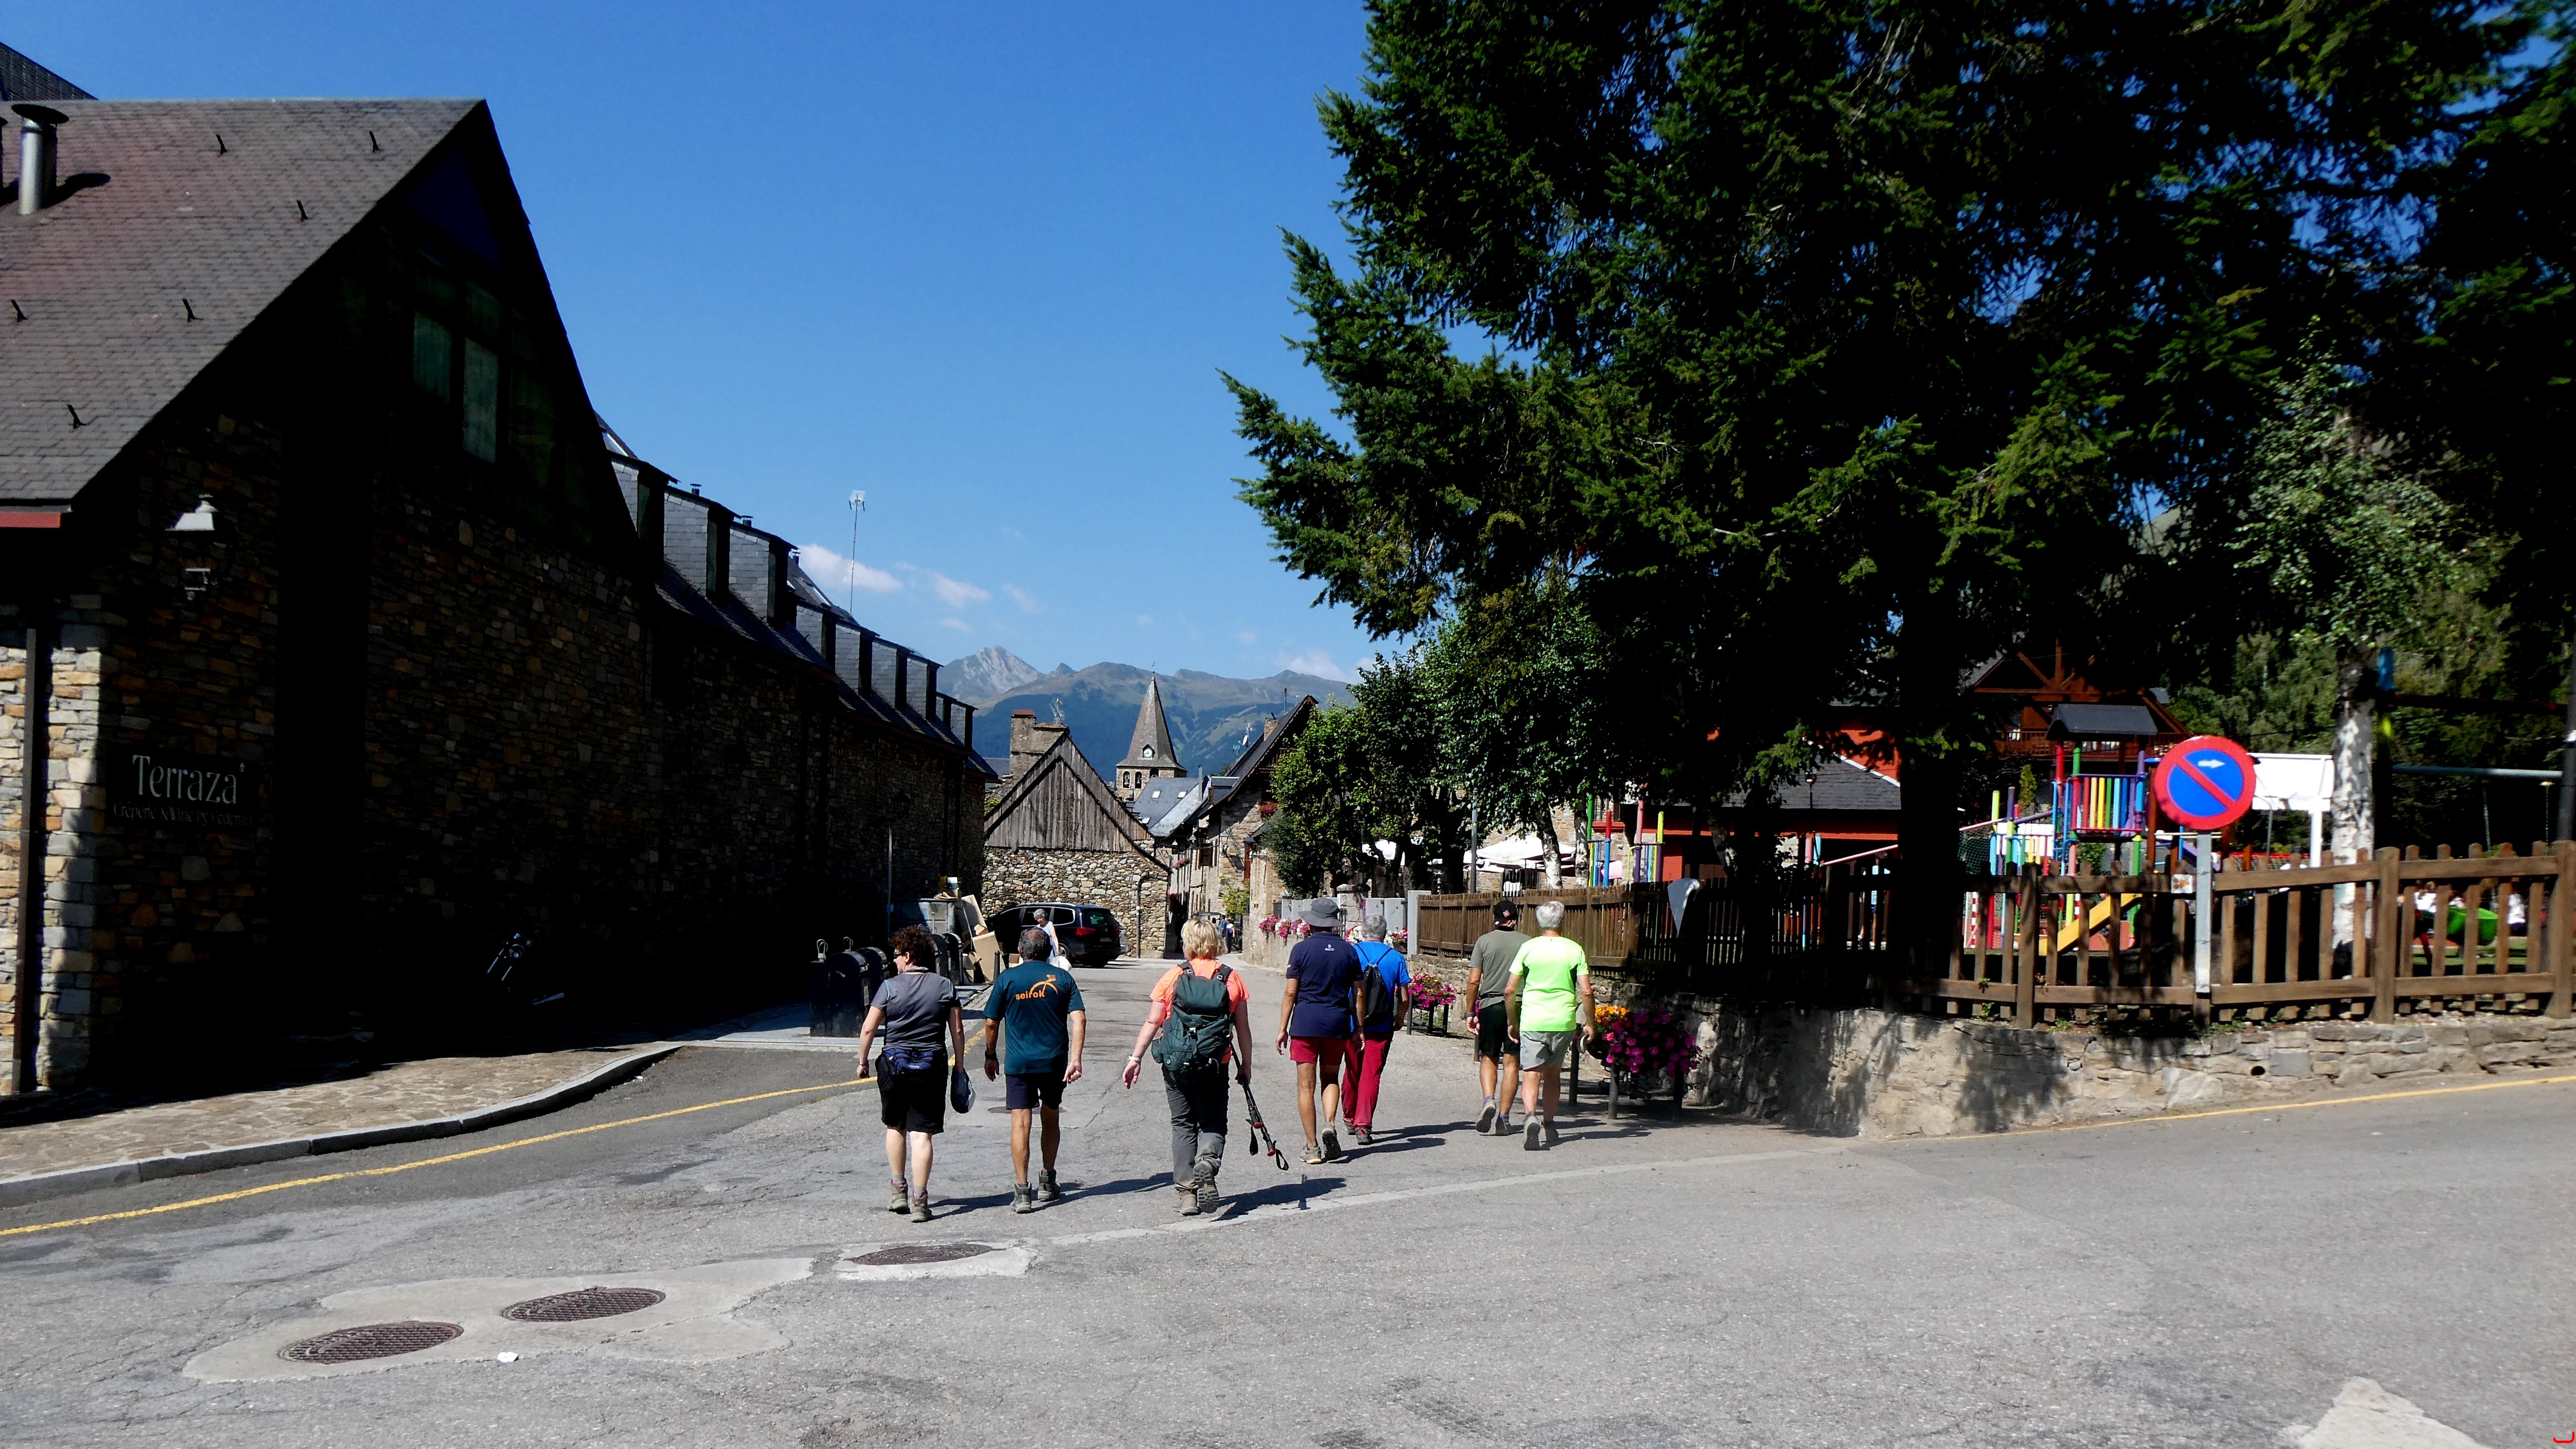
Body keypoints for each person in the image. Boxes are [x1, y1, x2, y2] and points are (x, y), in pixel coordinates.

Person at [1121, 919, 1254, 1215]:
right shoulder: (1231, 978)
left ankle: (1187, 1194)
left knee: (1183, 1124)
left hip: (1177, 1063)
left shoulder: (1174, 976)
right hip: (1215, 1063)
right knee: (1213, 1123)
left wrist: (1135, 1058)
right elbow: (1243, 1029)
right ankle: (1207, 1161)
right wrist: (1246, 1065)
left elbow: (1153, 1021)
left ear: (1187, 943)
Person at [853, 925, 966, 1221]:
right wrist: (960, 1067)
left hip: (894, 1066)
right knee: (922, 1135)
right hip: (931, 1067)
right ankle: (920, 1200)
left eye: (897, 955)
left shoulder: (889, 988)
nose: (894, 961)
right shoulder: (945, 986)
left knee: (895, 1127)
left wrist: (863, 1062)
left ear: (908, 955)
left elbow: (869, 1028)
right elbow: (957, 1030)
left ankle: (898, 1191)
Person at [983, 926, 1086, 1213]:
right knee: (1051, 1117)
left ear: (1020, 951)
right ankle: (1048, 1179)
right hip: (1054, 1061)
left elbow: (991, 1022)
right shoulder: (1063, 978)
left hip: (1020, 1062)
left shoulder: (1007, 979)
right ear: (1050, 951)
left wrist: (991, 1055)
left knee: (1021, 1123)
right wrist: (1076, 1059)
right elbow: (1079, 1018)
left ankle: (1022, 1192)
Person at [1276, 896, 1362, 1163]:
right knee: (1331, 1078)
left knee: (1306, 1086)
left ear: (1312, 923)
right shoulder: (1349, 951)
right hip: (1337, 1022)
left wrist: (1283, 1028)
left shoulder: (1301, 950)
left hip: (1306, 1023)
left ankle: (1312, 1147)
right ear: (1334, 923)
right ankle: (1329, 1123)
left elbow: (1291, 992)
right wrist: (1359, 1027)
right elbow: (1359, 994)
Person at [1505, 899, 1595, 1150]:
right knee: (1553, 1074)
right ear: (1562, 921)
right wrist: (1591, 1023)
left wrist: (1512, 1021)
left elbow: (1510, 989)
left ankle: (1530, 1116)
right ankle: (1550, 1123)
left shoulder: (1528, 948)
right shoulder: (1574, 949)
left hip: (1533, 1018)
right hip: (1562, 1020)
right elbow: (1587, 991)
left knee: (1531, 1072)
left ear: (1539, 922)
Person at [1346, 914, 1413, 1146]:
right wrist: (1400, 1018)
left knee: (1352, 1068)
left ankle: (1348, 1115)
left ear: (1363, 931)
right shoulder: (1395, 957)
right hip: (1381, 1024)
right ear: (1385, 934)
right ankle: (1363, 1126)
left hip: (1352, 1022)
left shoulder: (1352, 953)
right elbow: (1404, 996)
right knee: (1371, 1074)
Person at [1465, 901, 1529, 1134]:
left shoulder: (1484, 942)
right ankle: (1504, 1118)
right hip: (1518, 1006)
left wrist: (1470, 1012)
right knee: (1512, 1062)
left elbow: (1474, 981)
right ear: (1516, 918)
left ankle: (1488, 1099)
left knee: (1489, 1057)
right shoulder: (1527, 943)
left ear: (1495, 918)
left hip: (1491, 1005)